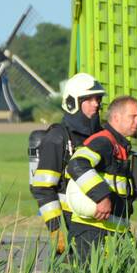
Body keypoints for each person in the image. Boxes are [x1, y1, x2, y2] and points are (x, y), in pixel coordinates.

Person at [29, 73, 106, 254]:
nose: (96, 103)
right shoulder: (58, 138)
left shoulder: (101, 137)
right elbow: (42, 187)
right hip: (69, 223)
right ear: (72, 103)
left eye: (98, 98)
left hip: (98, 224)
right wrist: (57, 229)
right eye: (89, 99)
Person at [65, 96, 137, 261]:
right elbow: (77, 163)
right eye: (133, 117)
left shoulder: (119, 145)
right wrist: (101, 196)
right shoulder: (103, 141)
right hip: (92, 231)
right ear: (116, 117)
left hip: (113, 231)